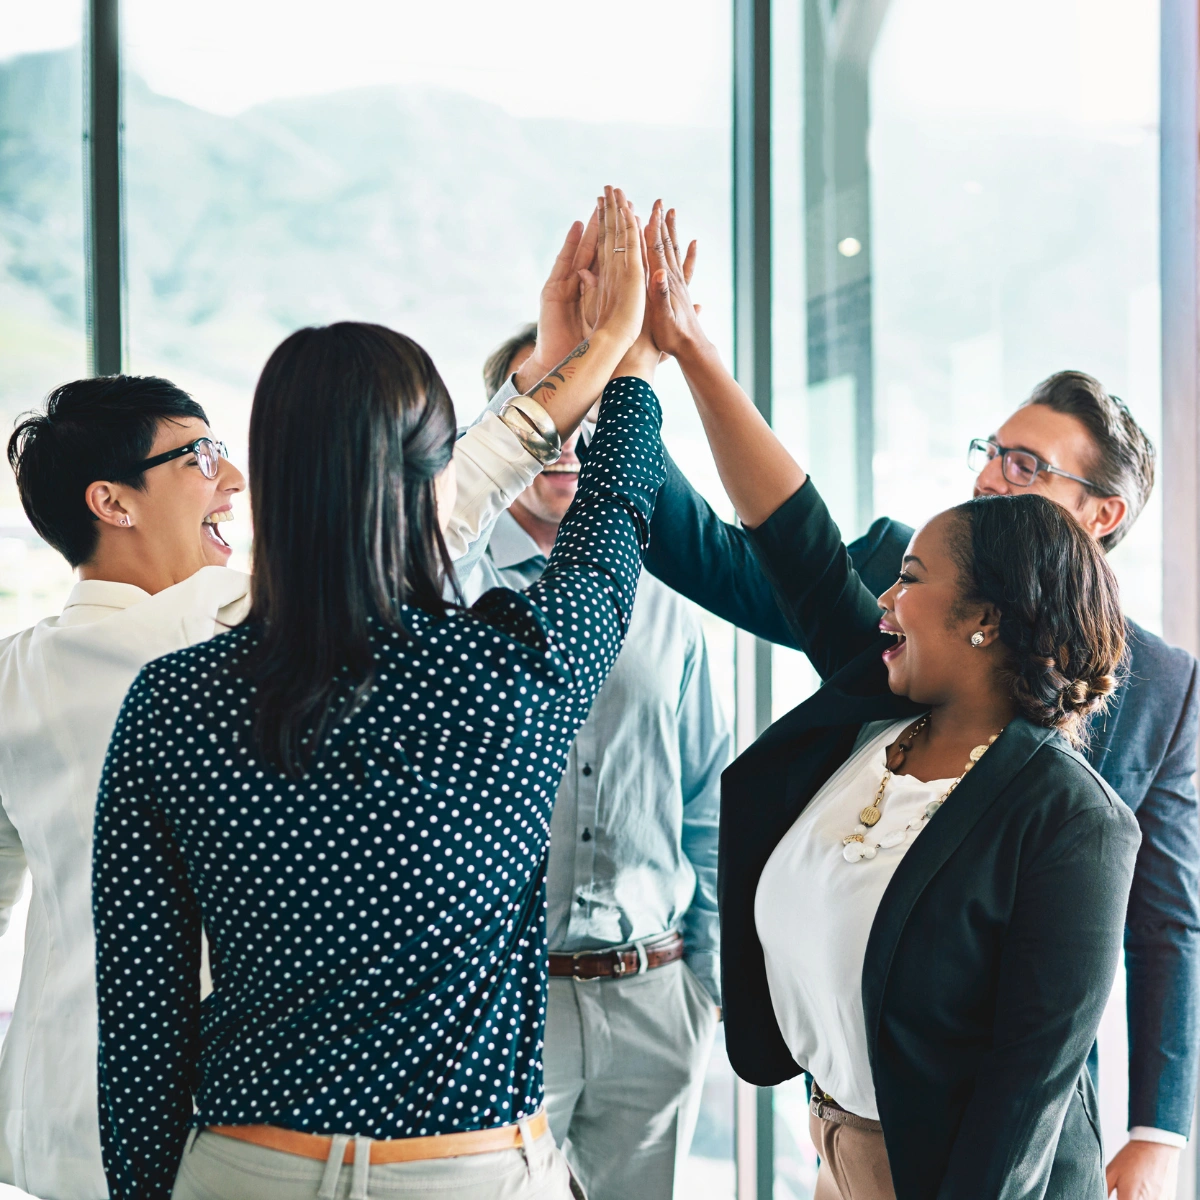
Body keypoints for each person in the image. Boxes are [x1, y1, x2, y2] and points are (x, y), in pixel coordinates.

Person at [0, 212, 611, 1200]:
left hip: (60, 1116)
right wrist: (585, 367)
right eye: (198, 459)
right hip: (220, 1119)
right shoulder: (221, 643)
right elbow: (423, 512)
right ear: (112, 502)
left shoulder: (14, 676)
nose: (231, 481)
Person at [640, 209, 1200, 1199]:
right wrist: (677, 360)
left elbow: (1158, 931)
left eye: (1027, 466)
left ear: (985, 616)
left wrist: (1161, 1125)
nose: (885, 599)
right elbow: (793, 539)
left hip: (968, 1160)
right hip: (843, 1136)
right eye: (994, 449)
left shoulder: (1092, 786)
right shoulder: (891, 682)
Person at [464, 325, 730, 1200]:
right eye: (554, 411)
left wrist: (705, 985)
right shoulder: (444, 590)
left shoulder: (667, 604)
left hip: (652, 995)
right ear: (507, 422)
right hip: (497, 1000)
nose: (572, 444)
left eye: (595, 417)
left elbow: (708, 802)